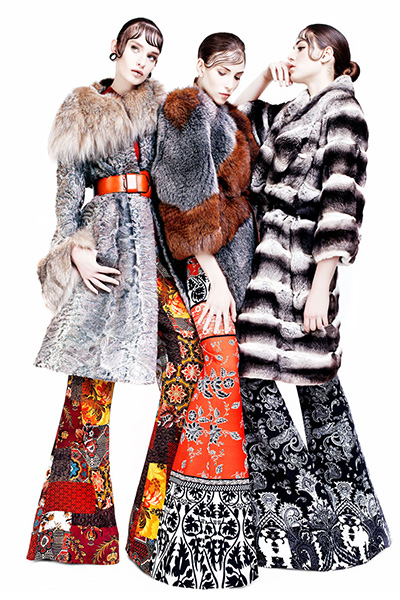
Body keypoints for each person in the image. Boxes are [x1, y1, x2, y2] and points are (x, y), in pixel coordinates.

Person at [27, 17, 203, 568]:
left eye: (153, 54)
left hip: (155, 247)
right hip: (105, 251)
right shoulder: (80, 107)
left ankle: (157, 526)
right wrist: (74, 248)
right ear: (115, 48)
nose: (144, 60)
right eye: (136, 49)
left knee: (188, 368)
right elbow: (65, 200)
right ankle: (76, 538)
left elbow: (188, 173)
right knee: (90, 389)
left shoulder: (164, 108)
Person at [234, 24, 391, 570]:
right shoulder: (289, 112)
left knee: (318, 389)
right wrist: (261, 78)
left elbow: (342, 202)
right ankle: (299, 526)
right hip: (266, 261)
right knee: (253, 381)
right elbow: (230, 129)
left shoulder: (343, 112)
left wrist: (322, 285)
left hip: (304, 267)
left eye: (300, 47)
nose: (291, 55)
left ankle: (352, 528)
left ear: (325, 56)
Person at [148, 32, 260, 587]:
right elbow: (186, 203)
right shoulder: (186, 111)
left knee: (215, 388)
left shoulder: (228, 115)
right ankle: (193, 549)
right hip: (201, 269)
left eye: (237, 74)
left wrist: (256, 86)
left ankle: (163, 534)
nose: (230, 82)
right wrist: (213, 279)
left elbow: (236, 141)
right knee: (212, 388)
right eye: (221, 71)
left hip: (229, 271)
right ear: (199, 66)